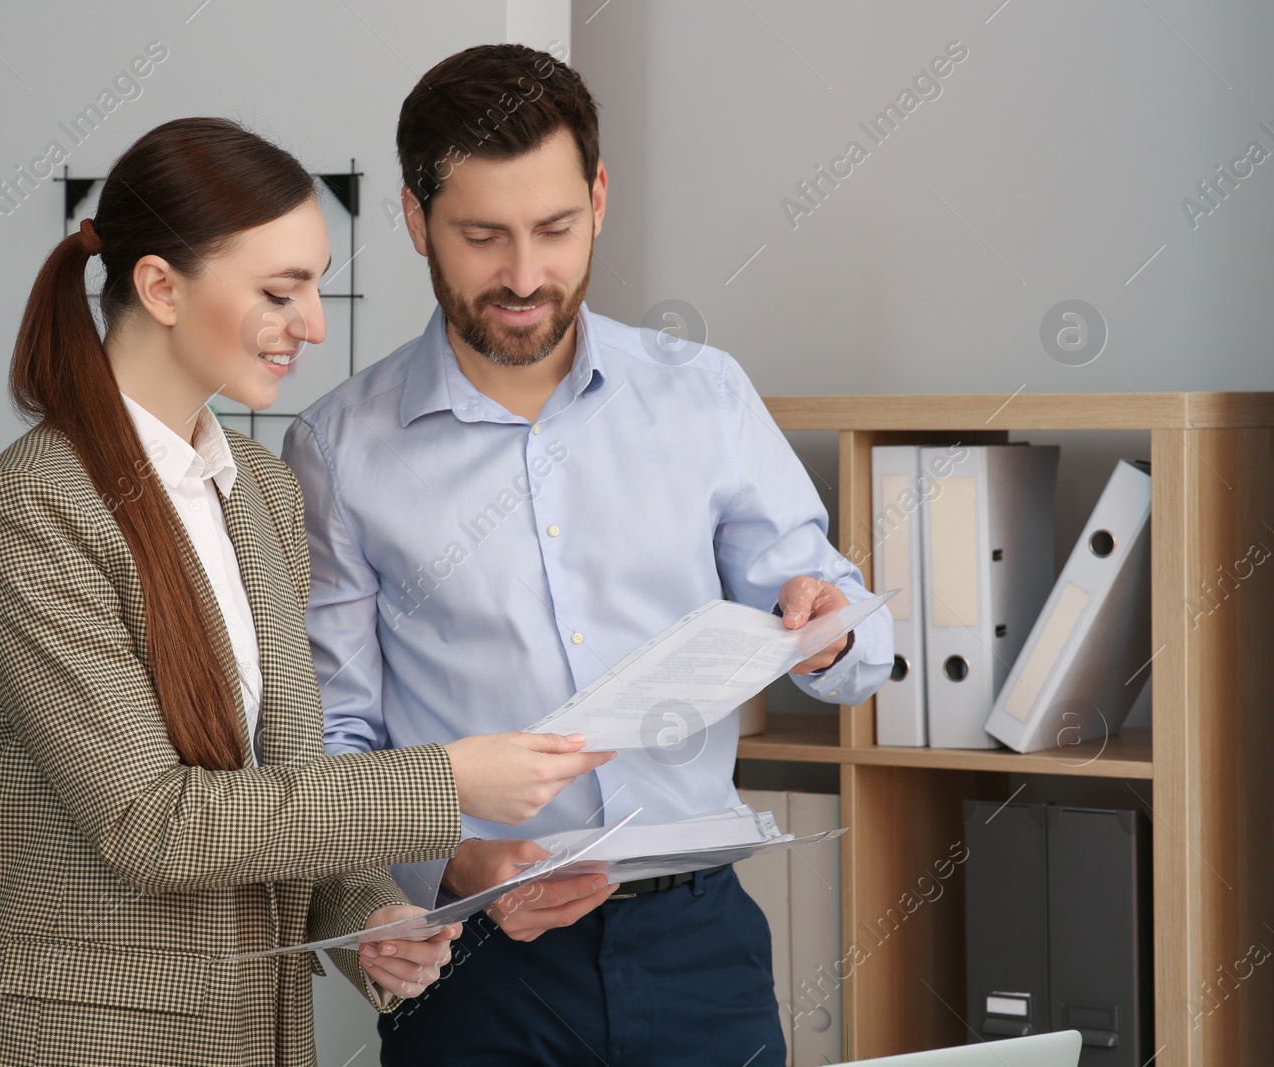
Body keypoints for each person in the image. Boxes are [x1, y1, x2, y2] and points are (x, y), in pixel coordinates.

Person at [0, 116, 612, 1067]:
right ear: (160, 287)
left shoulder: (261, 490)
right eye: (280, 291)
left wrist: (371, 912)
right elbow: (152, 822)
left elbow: (277, 776)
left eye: (317, 285)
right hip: (79, 1035)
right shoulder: (34, 509)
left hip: (253, 1030)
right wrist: (447, 778)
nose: (315, 324)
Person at [282, 46, 894, 1067]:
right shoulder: (340, 447)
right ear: (413, 219)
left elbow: (850, 631)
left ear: (599, 199)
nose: (523, 275)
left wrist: (824, 624)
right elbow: (335, 737)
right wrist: (454, 860)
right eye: (481, 236)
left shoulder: (702, 394)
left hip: (699, 940)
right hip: (476, 960)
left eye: (555, 230)